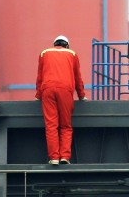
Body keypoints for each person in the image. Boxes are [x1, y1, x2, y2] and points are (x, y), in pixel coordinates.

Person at [35, 35, 86, 165]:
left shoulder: (44, 53)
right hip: (65, 90)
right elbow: (77, 77)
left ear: (55, 44)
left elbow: (40, 76)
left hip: (48, 89)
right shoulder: (72, 54)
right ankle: (64, 156)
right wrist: (81, 95)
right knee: (65, 125)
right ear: (67, 45)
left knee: (51, 125)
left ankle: (53, 158)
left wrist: (38, 95)